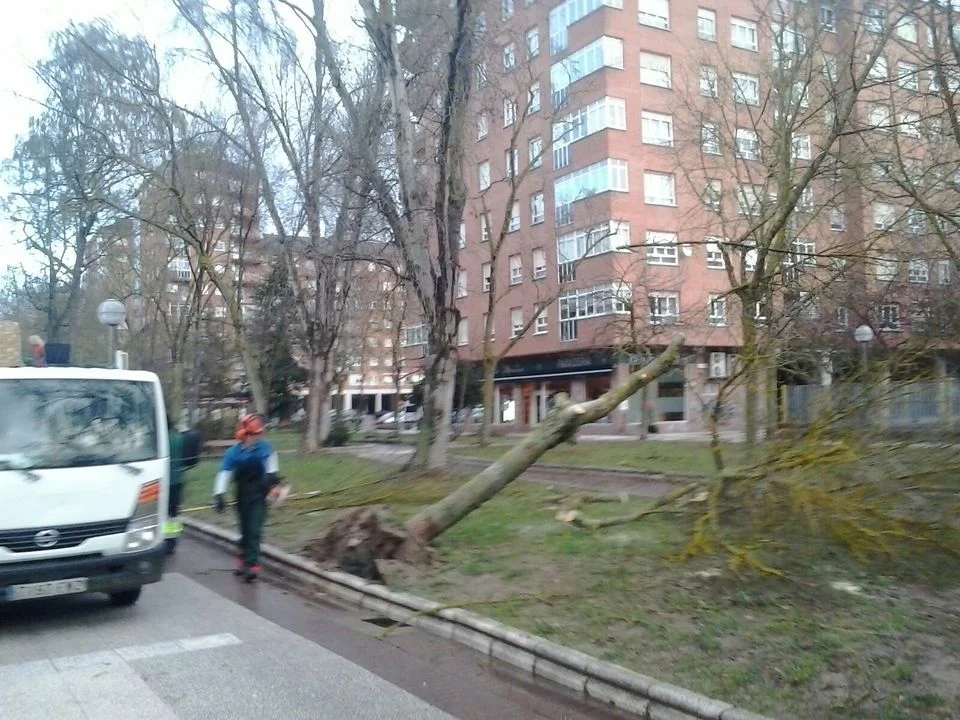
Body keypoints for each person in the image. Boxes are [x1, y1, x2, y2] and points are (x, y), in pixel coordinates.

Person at [213, 413, 281, 582]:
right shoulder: (233, 453)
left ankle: (253, 565)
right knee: (245, 530)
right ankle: (242, 559)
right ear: (244, 434)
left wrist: (273, 484)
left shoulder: (266, 449)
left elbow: (272, 468)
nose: (256, 437)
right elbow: (224, 473)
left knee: (255, 530)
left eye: (258, 434)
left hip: (260, 493)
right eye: (253, 434)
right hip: (242, 494)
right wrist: (220, 494)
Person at [164, 419, 187, 555]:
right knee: (174, 513)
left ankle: (163, 539)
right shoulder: (178, 439)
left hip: (164, 481)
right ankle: (172, 541)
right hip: (178, 480)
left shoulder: (160, 440)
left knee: (163, 513)